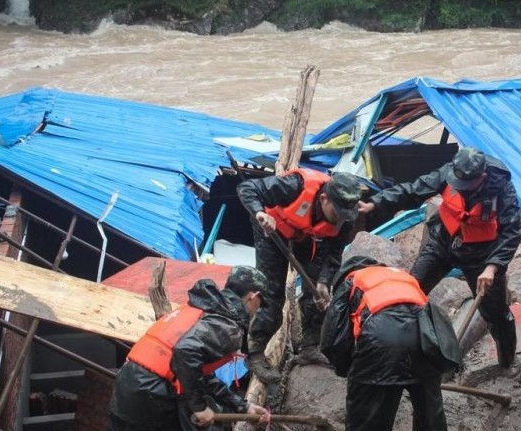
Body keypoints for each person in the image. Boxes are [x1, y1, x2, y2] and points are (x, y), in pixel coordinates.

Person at [358, 147, 521, 372]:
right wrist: (377, 202)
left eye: (466, 186)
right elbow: (414, 189)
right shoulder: (451, 172)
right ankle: (399, 354)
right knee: (411, 291)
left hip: (482, 255)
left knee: (496, 313)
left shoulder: (501, 188)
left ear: (482, 178)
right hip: (443, 242)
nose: (460, 189)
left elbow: (512, 230)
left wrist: (492, 268)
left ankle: (506, 364)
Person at [109, 266, 271, 431]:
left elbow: (199, 372)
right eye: (260, 304)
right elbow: (186, 351)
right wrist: (199, 407)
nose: (257, 311)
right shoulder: (228, 324)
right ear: (254, 297)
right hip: (151, 391)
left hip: (129, 380)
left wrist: (243, 406)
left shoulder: (203, 307)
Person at [237, 169, 362, 382]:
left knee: (317, 292)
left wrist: (324, 281)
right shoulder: (293, 186)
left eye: (344, 217)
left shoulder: (345, 217)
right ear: (324, 199)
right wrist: (260, 213)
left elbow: (333, 254)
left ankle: (310, 346)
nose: (340, 221)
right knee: (272, 295)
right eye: (336, 214)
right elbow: (247, 188)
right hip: (272, 230)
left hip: (305, 236)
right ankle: (255, 353)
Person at [320, 255, 451, 431]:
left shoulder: (351, 280)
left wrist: (349, 370)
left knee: (366, 422)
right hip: (426, 341)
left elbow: (332, 339)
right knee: (431, 419)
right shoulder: (403, 277)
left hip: (380, 342)